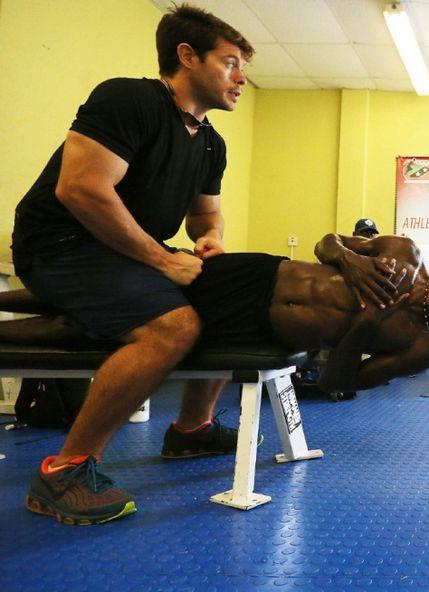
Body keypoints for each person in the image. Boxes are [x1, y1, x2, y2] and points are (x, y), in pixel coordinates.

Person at [6, 233, 429, 523]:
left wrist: (361, 328)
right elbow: (326, 242)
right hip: (254, 275)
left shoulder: (422, 348)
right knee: (124, 289)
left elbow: (335, 381)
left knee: (90, 329)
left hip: (256, 326)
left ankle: (190, 433)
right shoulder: (403, 252)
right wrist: (350, 261)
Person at [9, 5, 253, 524]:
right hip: (58, 244)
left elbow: (206, 214)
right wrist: (163, 261)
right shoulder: (130, 98)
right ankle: (64, 472)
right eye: (230, 62)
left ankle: (192, 431)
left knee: (230, 295)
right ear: (187, 56)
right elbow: (80, 189)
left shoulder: (211, 142)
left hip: (120, 254)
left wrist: (209, 239)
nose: (241, 77)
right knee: (172, 327)